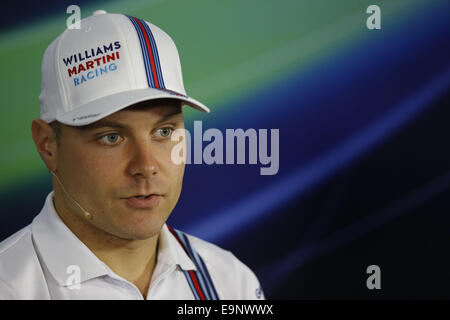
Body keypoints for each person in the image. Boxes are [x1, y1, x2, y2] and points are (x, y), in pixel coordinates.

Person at [0, 10, 264, 300]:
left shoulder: (230, 283)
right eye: (111, 137)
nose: (146, 166)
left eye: (163, 132)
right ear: (48, 145)